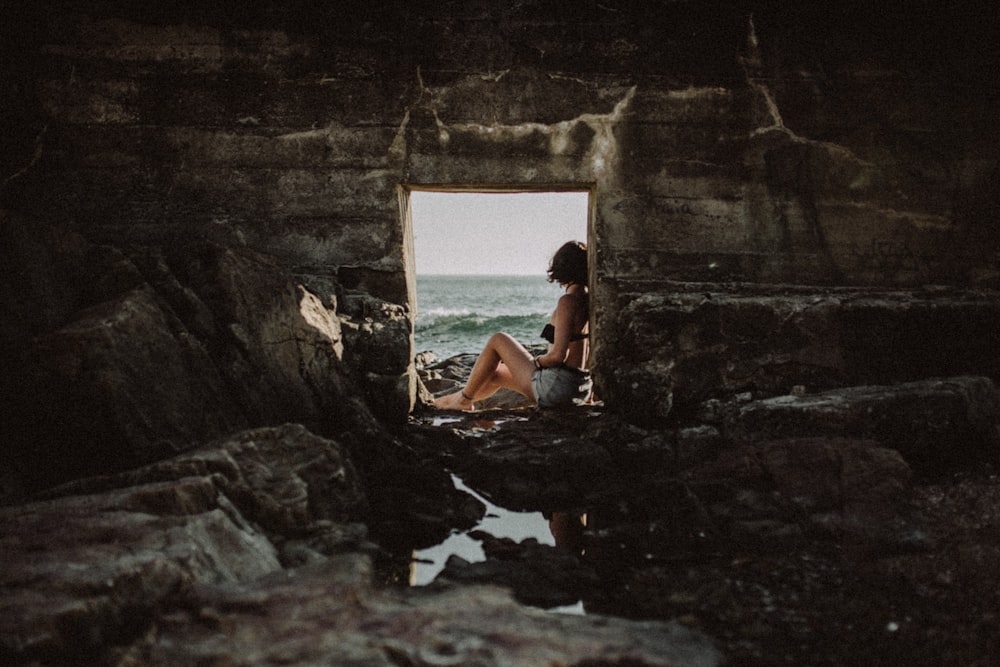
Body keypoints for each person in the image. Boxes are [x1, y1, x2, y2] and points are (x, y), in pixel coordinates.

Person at [434, 241, 593, 411]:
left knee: (498, 339)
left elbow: (558, 356)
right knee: (495, 373)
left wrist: (536, 362)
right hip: (579, 389)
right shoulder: (589, 301)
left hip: (557, 389)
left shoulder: (568, 301)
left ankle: (462, 401)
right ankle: (451, 402)